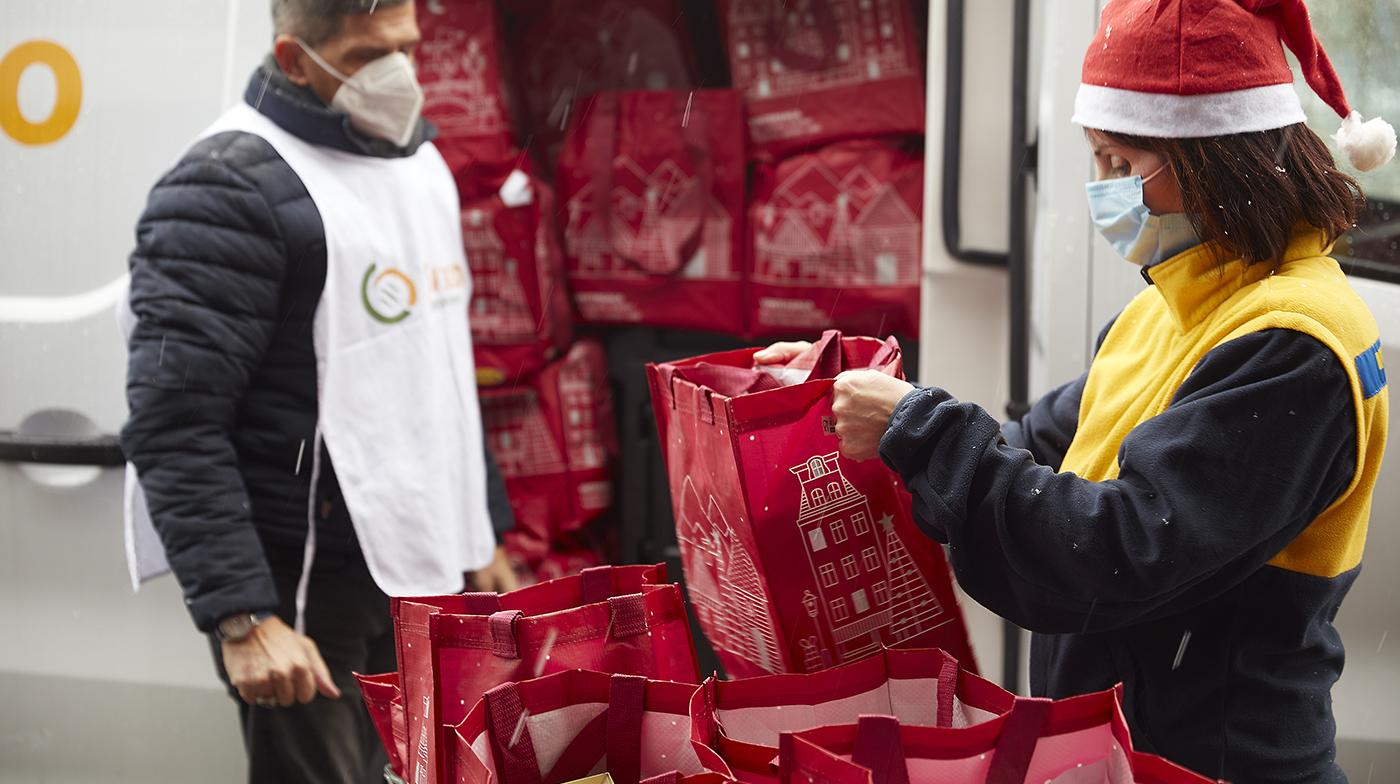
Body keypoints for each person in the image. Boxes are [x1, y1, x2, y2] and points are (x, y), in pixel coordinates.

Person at [758, 1, 1395, 781]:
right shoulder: (1168, 307)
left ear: (1216, 160)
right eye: (1096, 161)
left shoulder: (1296, 345)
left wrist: (921, 430)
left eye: (1122, 165)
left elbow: (1114, 552)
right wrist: (871, 401)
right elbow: (1028, 453)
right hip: (1124, 757)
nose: (1104, 190)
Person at [120, 1, 517, 780]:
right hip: (304, 589)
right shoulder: (224, 187)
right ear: (294, 59)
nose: (398, 72)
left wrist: (483, 530)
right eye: (369, 54)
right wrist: (243, 616)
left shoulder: (416, 163)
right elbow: (175, 423)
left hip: (413, 563)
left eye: (407, 47)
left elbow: (433, 365)